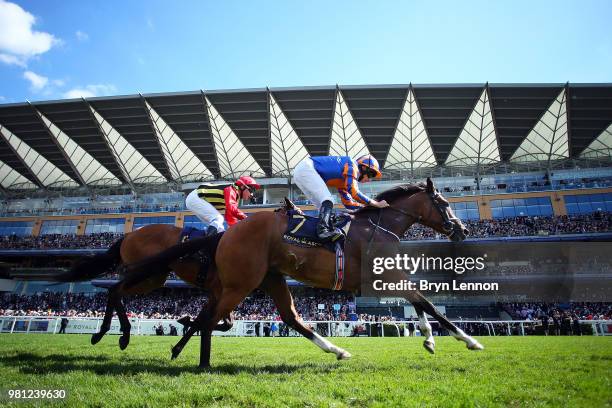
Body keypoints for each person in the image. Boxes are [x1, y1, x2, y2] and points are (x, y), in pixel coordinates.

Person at [293, 155, 389, 239]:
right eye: (370, 174)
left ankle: (316, 232)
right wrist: (376, 203)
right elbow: (354, 192)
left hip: (301, 172)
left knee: (323, 207)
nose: (369, 180)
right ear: (364, 168)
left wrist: (367, 208)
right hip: (306, 169)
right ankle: (322, 231)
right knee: (328, 200)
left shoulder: (345, 178)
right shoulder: (352, 166)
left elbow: (348, 203)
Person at [185, 176, 261, 234]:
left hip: (196, 199)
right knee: (218, 219)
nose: (251, 194)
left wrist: (234, 231)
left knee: (220, 230)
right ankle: (205, 244)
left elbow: (230, 217)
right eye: (251, 190)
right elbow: (232, 209)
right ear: (242, 186)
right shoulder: (231, 190)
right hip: (195, 197)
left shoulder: (235, 198)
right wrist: (248, 220)